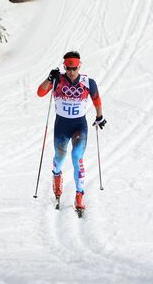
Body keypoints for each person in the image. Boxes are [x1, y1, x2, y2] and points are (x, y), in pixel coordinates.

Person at [36, 51, 105, 211]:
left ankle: (79, 195)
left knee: (77, 157)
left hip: (79, 126)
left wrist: (100, 116)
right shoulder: (57, 80)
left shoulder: (89, 82)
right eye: (68, 69)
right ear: (64, 67)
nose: (71, 72)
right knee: (59, 158)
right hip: (61, 126)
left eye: (74, 69)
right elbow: (40, 93)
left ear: (79, 66)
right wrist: (49, 78)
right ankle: (56, 177)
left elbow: (96, 99)